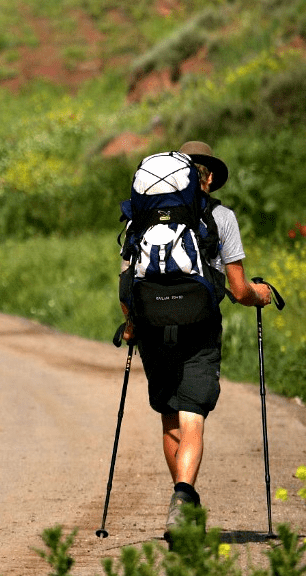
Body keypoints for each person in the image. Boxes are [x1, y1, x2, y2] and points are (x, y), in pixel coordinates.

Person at [120, 141, 272, 540]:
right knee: (193, 418)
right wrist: (262, 292)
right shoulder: (220, 217)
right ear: (206, 177)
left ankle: (182, 505)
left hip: (152, 327)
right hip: (199, 328)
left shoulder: (141, 218)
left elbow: (128, 283)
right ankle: (184, 498)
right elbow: (239, 291)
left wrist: (134, 325)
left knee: (170, 416)